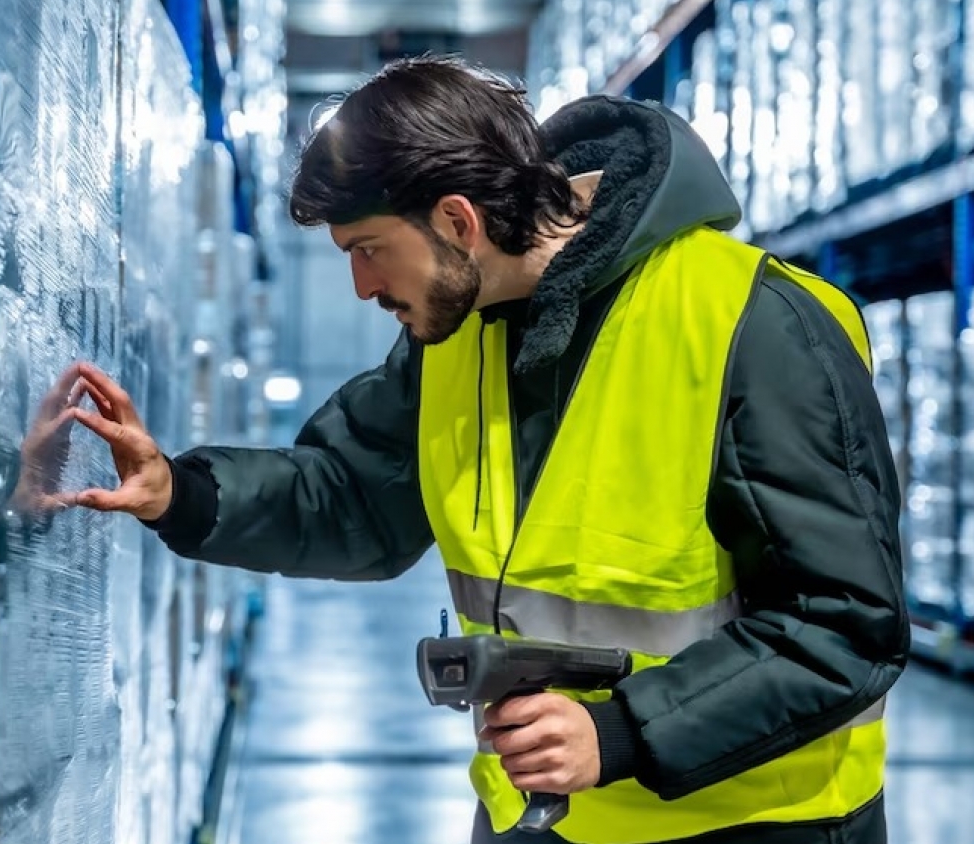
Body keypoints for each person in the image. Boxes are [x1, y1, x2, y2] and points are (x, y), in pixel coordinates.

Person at [65, 56, 907, 844]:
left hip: (748, 823)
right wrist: (178, 491)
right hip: (539, 811)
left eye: (367, 251)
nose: (362, 288)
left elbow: (843, 626)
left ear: (457, 221)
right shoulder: (455, 337)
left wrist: (622, 729)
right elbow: (357, 497)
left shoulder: (754, 325)